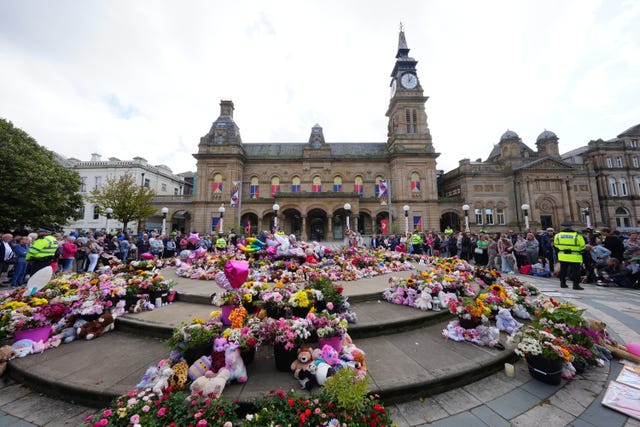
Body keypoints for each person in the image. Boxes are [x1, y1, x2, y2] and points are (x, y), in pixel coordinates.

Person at [553, 222, 586, 290]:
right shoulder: (577, 236)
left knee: (563, 270)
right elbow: (583, 246)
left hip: (563, 255)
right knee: (576, 271)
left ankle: (562, 283)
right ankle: (576, 285)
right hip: (575, 256)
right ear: (571, 227)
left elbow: (555, 245)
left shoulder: (558, 235)